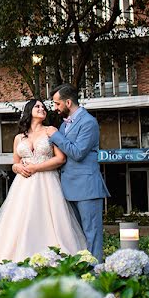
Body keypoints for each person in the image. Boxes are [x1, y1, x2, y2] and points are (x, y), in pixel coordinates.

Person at [0, 98, 87, 263]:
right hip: (23, 185)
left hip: (47, 182)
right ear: (29, 111)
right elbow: (15, 163)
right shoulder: (19, 138)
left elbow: (60, 159)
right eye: (37, 106)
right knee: (21, 219)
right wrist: (17, 168)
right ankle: (15, 257)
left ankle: (53, 256)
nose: (42, 109)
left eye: (43, 107)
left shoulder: (50, 131)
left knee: (48, 218)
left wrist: (36, 168)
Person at [45, 83, 110, 261]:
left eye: (57, 104)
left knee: (92, 234)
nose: (55, 108)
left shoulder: (88, 122)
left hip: (87, 187)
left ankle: (95, 272)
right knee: (76, 234)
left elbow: (78, 153)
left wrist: (55, 136)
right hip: (67, 187)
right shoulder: (64, 125)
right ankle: (81, 268)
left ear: (68, 102)